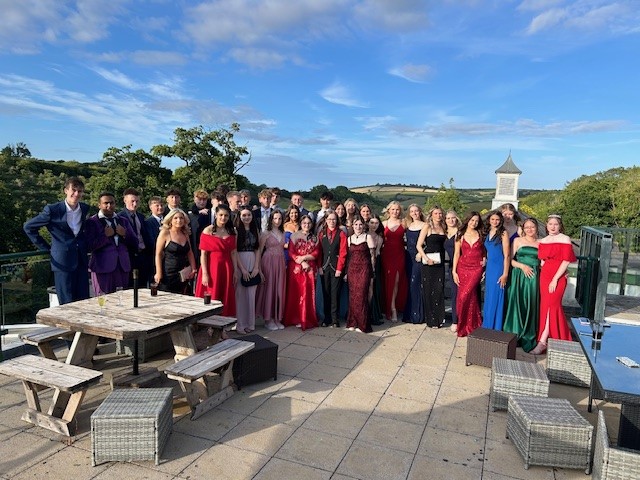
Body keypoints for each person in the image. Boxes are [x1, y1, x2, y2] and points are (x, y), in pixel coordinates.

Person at [23, 177, 90, 305]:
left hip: (81, 260)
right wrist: (47, 249)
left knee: (83, 301)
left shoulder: (85, 208)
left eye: (80, 191)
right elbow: (29, 227)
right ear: (65, 190)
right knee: (66, 302)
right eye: (73, 190)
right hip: (62, 262)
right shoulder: (53, 210)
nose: (76, 194)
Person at [530, 214, 577, 355]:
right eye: (550, 224)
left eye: (555, 224)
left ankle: (542, 342)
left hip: (558, 277)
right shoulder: (544, 240)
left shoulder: (565, 239)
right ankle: (552, 338)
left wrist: (556, 278)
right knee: (546, 307)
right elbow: (543, 261)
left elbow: (566, 261)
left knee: (553, 306)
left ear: (560, 225)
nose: (552, 226)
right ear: (546, 225)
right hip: (545, 276)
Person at [85, 192, 137, 295]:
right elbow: (89, 246)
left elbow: (135, 243)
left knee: (122, 299)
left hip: (122, 267)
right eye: (106, 203)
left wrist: (124, 234)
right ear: (99, 205)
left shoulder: (123, 221)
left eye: (112, 203)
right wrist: (105, 236)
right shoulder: (92, 222)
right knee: (104, 301)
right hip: (102, 268)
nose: (109, 206)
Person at [503, 218, 540, 352]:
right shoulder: (517, 241)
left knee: (531, 303)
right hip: (519, 275)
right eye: (527, 227)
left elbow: (546, 262)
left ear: (536, 228)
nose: (530, 230)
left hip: (534, 277)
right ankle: (514, 332)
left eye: (532, 227)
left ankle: (528, 334)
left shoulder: (541, 243)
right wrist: (522, 266)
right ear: (523, 229)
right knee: (517, 302)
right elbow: (510, 260)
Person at [195, 204, 237, 316]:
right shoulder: (208, 230)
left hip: (227, 268)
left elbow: (233, 253)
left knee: (225, 296)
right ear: (216, 215)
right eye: (221, 215)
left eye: (226, 215)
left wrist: (236, 271)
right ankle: (209, 324)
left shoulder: (232, 232)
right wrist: (205, 273)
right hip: (211, 268)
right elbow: (203, 254)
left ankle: (222, 326)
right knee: (211, 295)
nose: (223, 218)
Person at [283, 215, 320, 330]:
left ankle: (306, 318)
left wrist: (304, 258)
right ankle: (295, 318)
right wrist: (301, 261)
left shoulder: (315, 237)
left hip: (309, 268)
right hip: (296, 269)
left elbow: (316, 253)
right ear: (300, 223)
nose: (306, 225)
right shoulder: (294, 236)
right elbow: (291, 252)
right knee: (296, 293)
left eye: (309, 223)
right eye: (304, 223)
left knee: (307, 294)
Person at [452, 212, 485, 337]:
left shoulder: (481, 234)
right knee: (467, 297)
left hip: (476, 269)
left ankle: (469, 324)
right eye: (472, 220)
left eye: (476, 221)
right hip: (462, 268)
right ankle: (468, 324)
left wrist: (485, 261)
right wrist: (454, 271)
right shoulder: (460, 234)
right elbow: (456, 254)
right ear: (468, 220)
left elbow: (485, 252)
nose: (474, 223)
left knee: (465, 296)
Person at [417, 206, 447, 328]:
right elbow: (419, 245)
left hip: (440, 262)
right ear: (432, 214)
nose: (438, 215)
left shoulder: (444, 227)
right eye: (436, 213)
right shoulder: (427, 226)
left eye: (440, 213)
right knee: (429, 290)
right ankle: (431, 320)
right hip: (429, 262)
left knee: (439, 289)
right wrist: (426, 259)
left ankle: (439, 318)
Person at [154, 209, 196, 294]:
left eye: (181, 218)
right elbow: (158, 254)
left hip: (183, 273)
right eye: (175, 218)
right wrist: (158, 272)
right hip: (168, 273)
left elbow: (190, 252)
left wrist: (193, 268)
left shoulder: (185, 233)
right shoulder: (165, 233)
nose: (179, 220)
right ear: (170, 220)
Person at [256, 210, 286, 331]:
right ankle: (268, 319)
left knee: (278, 290)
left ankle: (276, 317)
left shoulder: (282, 233)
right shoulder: (266, 233)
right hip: (268, 262)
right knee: (269, 290)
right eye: (275, 218)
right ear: (271, 219)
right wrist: (258, 268)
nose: (277, 221)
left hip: (280, 263)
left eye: (279, 219)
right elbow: (259, 251)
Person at [234, 206, 262, 334]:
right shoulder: (236, 231)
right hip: (240, 261)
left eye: (249, 215)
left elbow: (257, 249)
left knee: (251, 294)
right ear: (239, 216)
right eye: (244, 215)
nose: (246, 217)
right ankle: (240, 324)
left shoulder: (255, 229)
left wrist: (256, 267)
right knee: (240, 295)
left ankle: (250, 324)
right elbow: (234, 251)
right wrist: (243, 270)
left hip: (253, 260)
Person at [346, 217, 376, 332]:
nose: (358, 227)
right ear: (352, 226)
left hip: (364, 269)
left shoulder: (368, 237)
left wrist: (372, 271)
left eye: (360, 225)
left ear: (363, 226)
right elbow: (348, 258)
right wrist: (346, 273)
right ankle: (352, 322)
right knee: (353, 295)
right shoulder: (349, 239)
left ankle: (362, 324)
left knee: (362, 295)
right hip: (352, 269)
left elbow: (373, 256)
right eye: (356, 224)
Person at [482, 210, 510, 330]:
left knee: (496, 296)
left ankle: (495, 326)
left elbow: (507, 255)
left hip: (499, 268)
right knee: (489, 296)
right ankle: (487, 324)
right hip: (490, 268)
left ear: (501, 221)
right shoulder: (488, 232)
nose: (495, 221)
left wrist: (505, 274)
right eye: (493, 219)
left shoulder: (503, 233)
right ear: (489, 220)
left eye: (497, 219)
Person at [319, 211, 348, 327]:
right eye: (329, 219)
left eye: (334, 219)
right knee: (326, 293)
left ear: (337, 221)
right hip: (324, 267)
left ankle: (335, 319)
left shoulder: (341, 234)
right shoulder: (322, 234)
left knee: (335, 294)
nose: (332, 221)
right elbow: (319, 251)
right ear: (326, 220)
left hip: (336, 268)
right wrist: (319, 266)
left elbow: (343, 252)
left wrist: (340, 268)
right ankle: (327, 318)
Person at [120, 188, 154, 286]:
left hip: (143, 256)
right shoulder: (120, 217)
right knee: (130, 286)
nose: (135, 204)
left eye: (137, 201)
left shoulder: (141, 217)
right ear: (125, 200)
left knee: (143, 285)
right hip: (129, 256)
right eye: (132, 201)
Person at [381, 201, 408, 322]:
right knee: (388, 280)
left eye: (397, 210)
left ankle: (394, 308)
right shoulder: (383, 223)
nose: (395, 212)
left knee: (397, 281)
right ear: (388, 211)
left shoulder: (404, 223)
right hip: (386, 255)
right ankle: (390, 308)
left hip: (399, 255)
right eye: (392, 209)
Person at [404, 204, 426, 324]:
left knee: (415, 284)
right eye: (412, 211)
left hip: (418, 257)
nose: (414, 213)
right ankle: (409, 313)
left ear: (420, 212)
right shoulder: (408, 225)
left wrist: (421, 253)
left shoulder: (425, 225)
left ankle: (417, 315)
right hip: (408, 257)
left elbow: (427, 242)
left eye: (416, 211)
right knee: (409, 284)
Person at [443, 210, 461, 332]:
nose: (451, 220)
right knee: (455, 294)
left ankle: (459, 320)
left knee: (460, 294)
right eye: (448, 218)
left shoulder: (460, 233)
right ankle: (455, 320)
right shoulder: (443, 233)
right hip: (449, 266)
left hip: (461, 266)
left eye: (453, 218)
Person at [368, 215, 385, 325]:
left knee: (373, 288)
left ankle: (372, 313)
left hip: (375, 264)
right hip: (363, 263)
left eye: (376, 223)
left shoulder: (379, 238)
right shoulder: (364, 235)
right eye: (372, 222)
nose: (374, 225)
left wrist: (373, 268)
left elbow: (376, 253)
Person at [145, 196, 164, 284]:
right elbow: (150, 241)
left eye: (161, 205)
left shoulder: (168, 220)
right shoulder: (148, 222)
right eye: (157, 205)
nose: (160, 207)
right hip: (153, 259)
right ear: (151, 207)